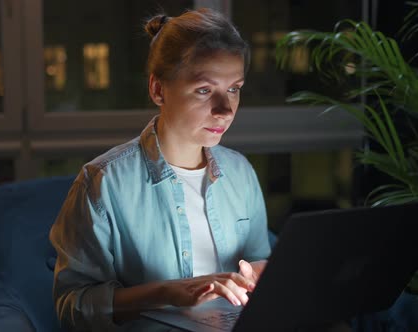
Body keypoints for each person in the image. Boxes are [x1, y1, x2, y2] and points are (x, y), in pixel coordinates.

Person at [50, 8, 271, 331]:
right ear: (158, 90)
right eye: (205, 90)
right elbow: (72, 307)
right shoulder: (103, 183)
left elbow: (259, 260)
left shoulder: (240, 173)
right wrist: (166, 292)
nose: (225, 111)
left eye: (234, 89)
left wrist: (263, 272)